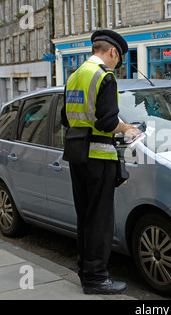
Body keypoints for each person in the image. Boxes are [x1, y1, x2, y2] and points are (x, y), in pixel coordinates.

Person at [61, 30, 139, 295]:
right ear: (112, 52)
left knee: (85, 217)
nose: (117, 65)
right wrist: (127, 127)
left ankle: (85, 270)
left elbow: (66, 118)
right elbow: (107, 122)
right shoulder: (104, 76)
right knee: (100, 221)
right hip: (99, 156)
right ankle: (96, 279)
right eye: (118, 59)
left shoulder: (74, 77)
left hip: (77, 155)